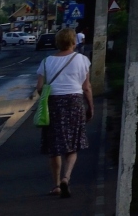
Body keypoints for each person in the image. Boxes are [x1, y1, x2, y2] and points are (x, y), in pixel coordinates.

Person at [37, 27, 92, 198]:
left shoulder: (46, 62)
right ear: (73, 41)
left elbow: (39, 88)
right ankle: (66, 178)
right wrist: (90, 107)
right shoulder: (82, 59)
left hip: (53, 103)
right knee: (72, 143)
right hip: (75, 102)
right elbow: (86, 87)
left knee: (54, 145)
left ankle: (55, 185)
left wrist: (49, 96)